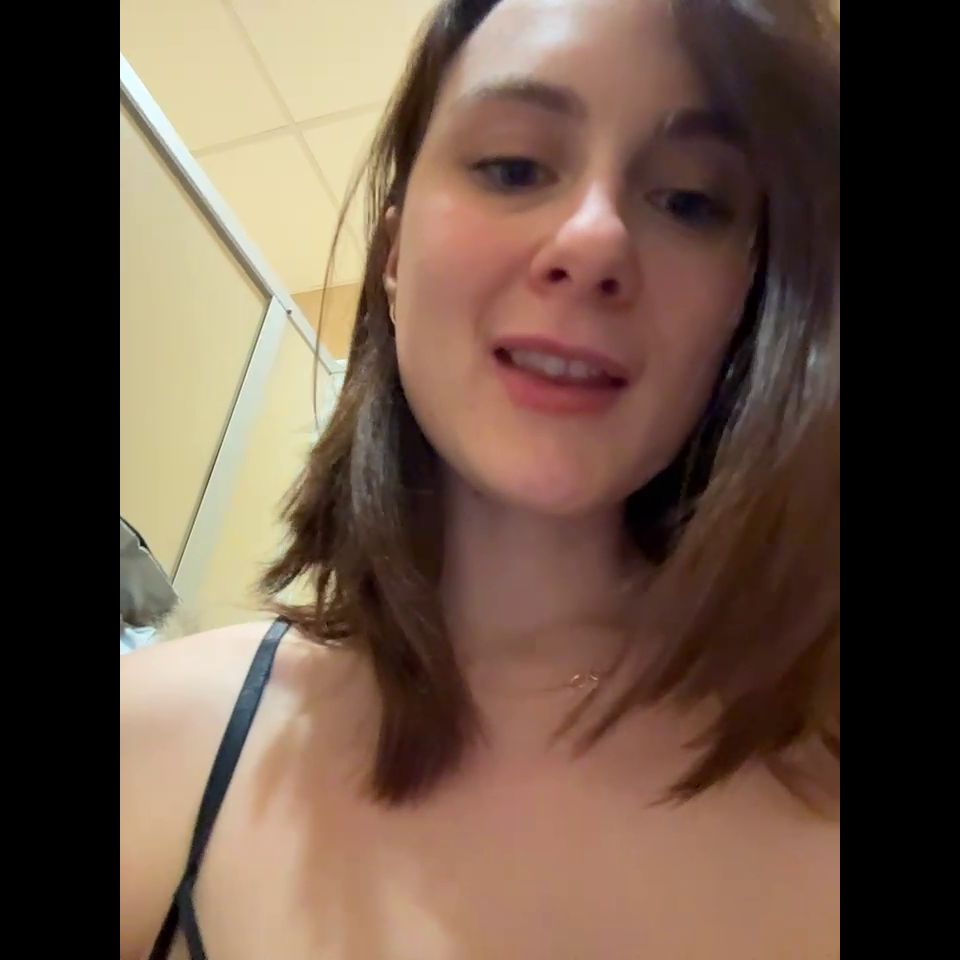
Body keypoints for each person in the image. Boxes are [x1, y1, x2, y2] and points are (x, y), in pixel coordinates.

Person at [120, 0, 840, 956]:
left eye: (690, 201)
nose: (593, 241)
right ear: (391, 260)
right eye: (513, 167)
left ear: (752, 303)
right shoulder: (152, 744)